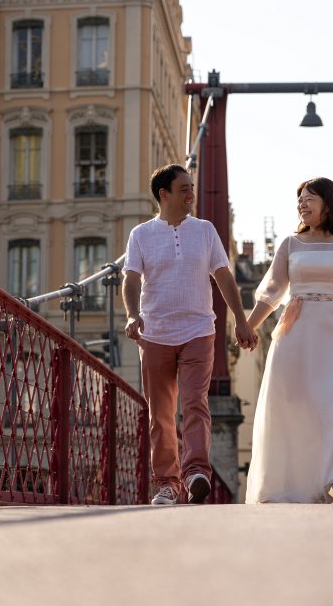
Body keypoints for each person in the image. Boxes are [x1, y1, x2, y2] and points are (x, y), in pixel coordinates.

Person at [122, 163, 257, 506]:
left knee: (195, 402)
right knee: (161, 412)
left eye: (192, 188)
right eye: (184, 189)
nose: (191, 195)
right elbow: (132, 279)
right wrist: (133, 315)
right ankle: (167, 483)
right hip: (155, 333)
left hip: (199, 329)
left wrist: (242, 321)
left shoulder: (206, 230)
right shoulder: (141, 234)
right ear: (163, 194)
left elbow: (225, 277)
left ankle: (196, 472)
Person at [245, 177, 333, 504]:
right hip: (298, 332)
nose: (302, 205)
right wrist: (248, 326)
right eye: (299, 201)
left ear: (329, 204)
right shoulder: (290, 244)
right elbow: (274, 291)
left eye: (309, 199)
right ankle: (293, 483)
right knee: (294, 406)